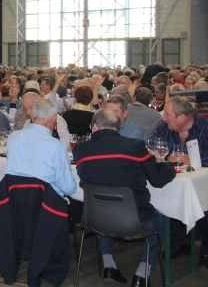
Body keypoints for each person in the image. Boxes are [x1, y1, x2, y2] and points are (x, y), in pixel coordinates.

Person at [74, 108, 175, 286]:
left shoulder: (80, 150)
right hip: (137, 221)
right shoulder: (134, 146)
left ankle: (109, 265)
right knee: (163, 217)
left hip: (95, 219)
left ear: (95, 127)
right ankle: (142, 273)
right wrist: (167, 163)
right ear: (118, 127)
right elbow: (158, 180)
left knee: (106, 207)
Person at [151, 96, 208, 266]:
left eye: (167, 114)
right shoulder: (164, 127)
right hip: (174, 180)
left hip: (202, 182)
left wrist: (192, 158)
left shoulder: (204, 129)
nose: (163, 118)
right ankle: (179, 242)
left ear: (181, 117)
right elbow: (154, 147)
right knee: (167, 199)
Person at [6, 97, 76, 198]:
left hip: (15, 202)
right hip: (46, 206)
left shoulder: (13, 137)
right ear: (53, 119)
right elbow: (68, 188)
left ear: (32, 116)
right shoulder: (56, 146)